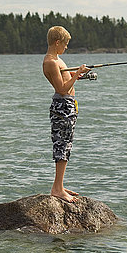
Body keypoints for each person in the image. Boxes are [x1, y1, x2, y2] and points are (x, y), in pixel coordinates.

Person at [42, 26, 90, 202]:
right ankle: (57, 189)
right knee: (62, 146)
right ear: (57, 42)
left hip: (68, 105)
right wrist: (76, 72)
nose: (66, 47)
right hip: (62, 106)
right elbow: (61, 89)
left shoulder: (58, 60)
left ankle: (59, 185)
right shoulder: (50, 62)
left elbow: (68, 79)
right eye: (65, 44)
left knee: (66, 145)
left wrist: (80, 75)